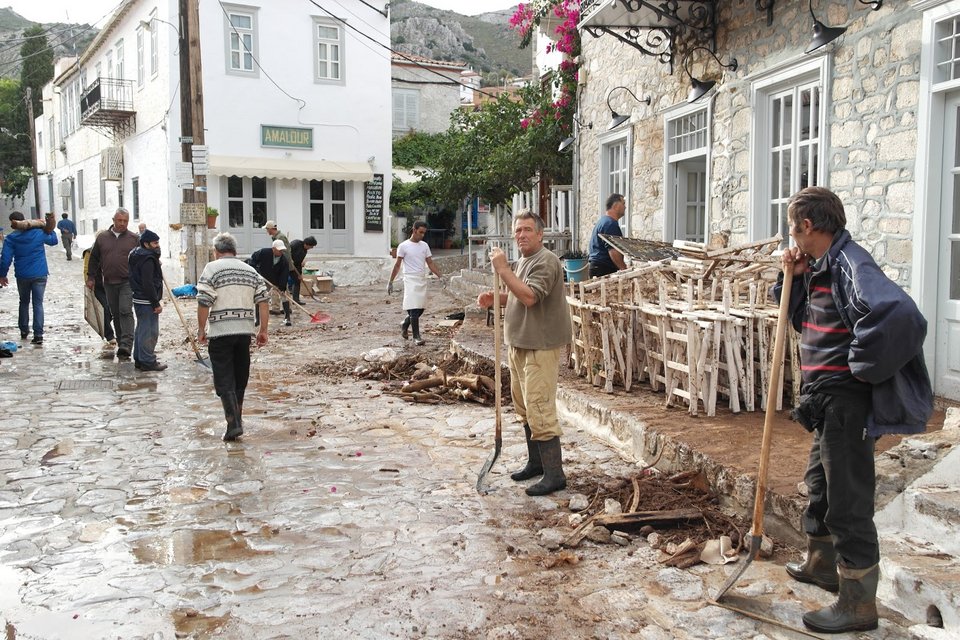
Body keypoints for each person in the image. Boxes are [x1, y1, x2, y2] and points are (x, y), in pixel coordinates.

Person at [776, 187, 932, 634]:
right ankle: (821, 565)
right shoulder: (820, 266)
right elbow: (800, 317)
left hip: (846, 398)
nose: (791, 234)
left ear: (807, 226)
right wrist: (794, 275)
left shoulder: (851, 263)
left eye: (793, 227)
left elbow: (901, 315)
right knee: (820, 485)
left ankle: (859, 605)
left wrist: (859, 367)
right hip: (824, 398)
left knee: (848, 499)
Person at [476, 210, 572, 496]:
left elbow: (531, 297)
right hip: (519, 342)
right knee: (524, 407)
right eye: (518, 230)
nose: (521, 235)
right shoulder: (523, 262)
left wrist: (503, 270)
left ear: (540, 234)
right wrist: (498, 298)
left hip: (540, 345)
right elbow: (520, 295)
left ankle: (555, 475)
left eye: (527, 230)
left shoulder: (547, 261)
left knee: (539, 407)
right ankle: (536, 463)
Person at [197, 232, 269, 442]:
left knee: (224, 377)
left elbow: (204, 301)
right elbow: (263, 301)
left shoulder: (212, 268)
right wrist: (263, 330)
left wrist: (201, 329)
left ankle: (233, 423)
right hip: (244, 333)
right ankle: (238, 418)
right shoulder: (250, 270)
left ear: (216, 251)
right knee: (240, 375)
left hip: (221, 332)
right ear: (235, 251)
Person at [87, 208, 139, 360]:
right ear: (113, 220)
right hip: (109, 282)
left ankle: (127, 344)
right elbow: (94, 258)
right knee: (115, 313)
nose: (122, 223)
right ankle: (121, 340)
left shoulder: (133, 238)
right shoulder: (102, 238)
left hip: (126, 281)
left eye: (125, 221)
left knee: (125, 310)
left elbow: (141, 256)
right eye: (119, 220)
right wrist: (91, 277)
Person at [0, 212, 58, 344]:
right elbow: (54, 240)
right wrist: (48, 228)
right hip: (40, 274)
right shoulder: (38, 233)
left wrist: (2, 275)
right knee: (38, 303)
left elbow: (5, 259)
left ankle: (24, 330)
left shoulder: (11, 238)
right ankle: (38, 335)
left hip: (23, 275)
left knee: (24, 302)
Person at [388, 221, 442, 346]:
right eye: (420, 232)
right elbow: (397, 265)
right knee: (413, 308)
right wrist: (390, 281)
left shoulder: (424, 246)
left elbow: (430, 263)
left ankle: (405, 323)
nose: (422, 235)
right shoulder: (403, 246)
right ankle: (416, 336)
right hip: (410, 278)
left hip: (421, 278)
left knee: (420, 308)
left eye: (424, 233)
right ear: (414, 230)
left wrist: (440, 276)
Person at [128, 230, 166, 371]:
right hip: (146, 300)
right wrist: (155, 303)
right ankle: (147, 361)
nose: (157, 246)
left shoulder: (136, 254)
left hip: (139, 298)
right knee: (149, 331)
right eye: (155, 243)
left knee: (142, 329)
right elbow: (147, 283)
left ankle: (140, 358)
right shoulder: (147, 259)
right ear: (146, 244)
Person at [247, 239, 292, 326]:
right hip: (263, 278)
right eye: (279, 250)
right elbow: (253, 259)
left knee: (284, 297)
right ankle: (257, 319)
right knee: (260, 296)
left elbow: (284, 274)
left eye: (282, 250)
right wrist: (254, 269)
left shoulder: (284, 260)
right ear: (273, 249)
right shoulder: (263, 252)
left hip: (277, 280)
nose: (281, 252)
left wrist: (281, 287)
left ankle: (287, 318)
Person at [588, 193, 627, 278]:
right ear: (616, 206)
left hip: (597, 267)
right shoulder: (610, 224)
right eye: (623, 203)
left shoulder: (603, 221)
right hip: (604, 269)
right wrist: (624, 269)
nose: (625, 207)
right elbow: (613, 250)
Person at [82, 247, 115, 345]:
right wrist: (88, 281)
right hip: (98, 285)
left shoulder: (112, 250)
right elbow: (86, 268)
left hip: (111, 284)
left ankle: (103, 326)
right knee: (105, 308)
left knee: (111, 310)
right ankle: (109, 335)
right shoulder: (89, 252)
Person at [262, 220, 294, 314]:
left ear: (271, 229)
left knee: (283, 287)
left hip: (282, 265)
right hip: (278, 265)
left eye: (267, 229)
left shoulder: (280, 238)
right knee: (276, 286)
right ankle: (276, 307)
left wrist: (286, 266)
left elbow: (285, 252)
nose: (267, 231)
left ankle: (286, 307)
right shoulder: (275, 237)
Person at [288, 235, 317, 305]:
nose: (311, 248)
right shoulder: (296, 243)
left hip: (294, 267)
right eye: (311, 246)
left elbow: (299, 263)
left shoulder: (305, 251)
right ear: (307, 244)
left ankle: (296, 300)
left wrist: (300, 274)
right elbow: (287, 252)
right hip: (285, 265)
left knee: (297, 281)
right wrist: (290, 260)